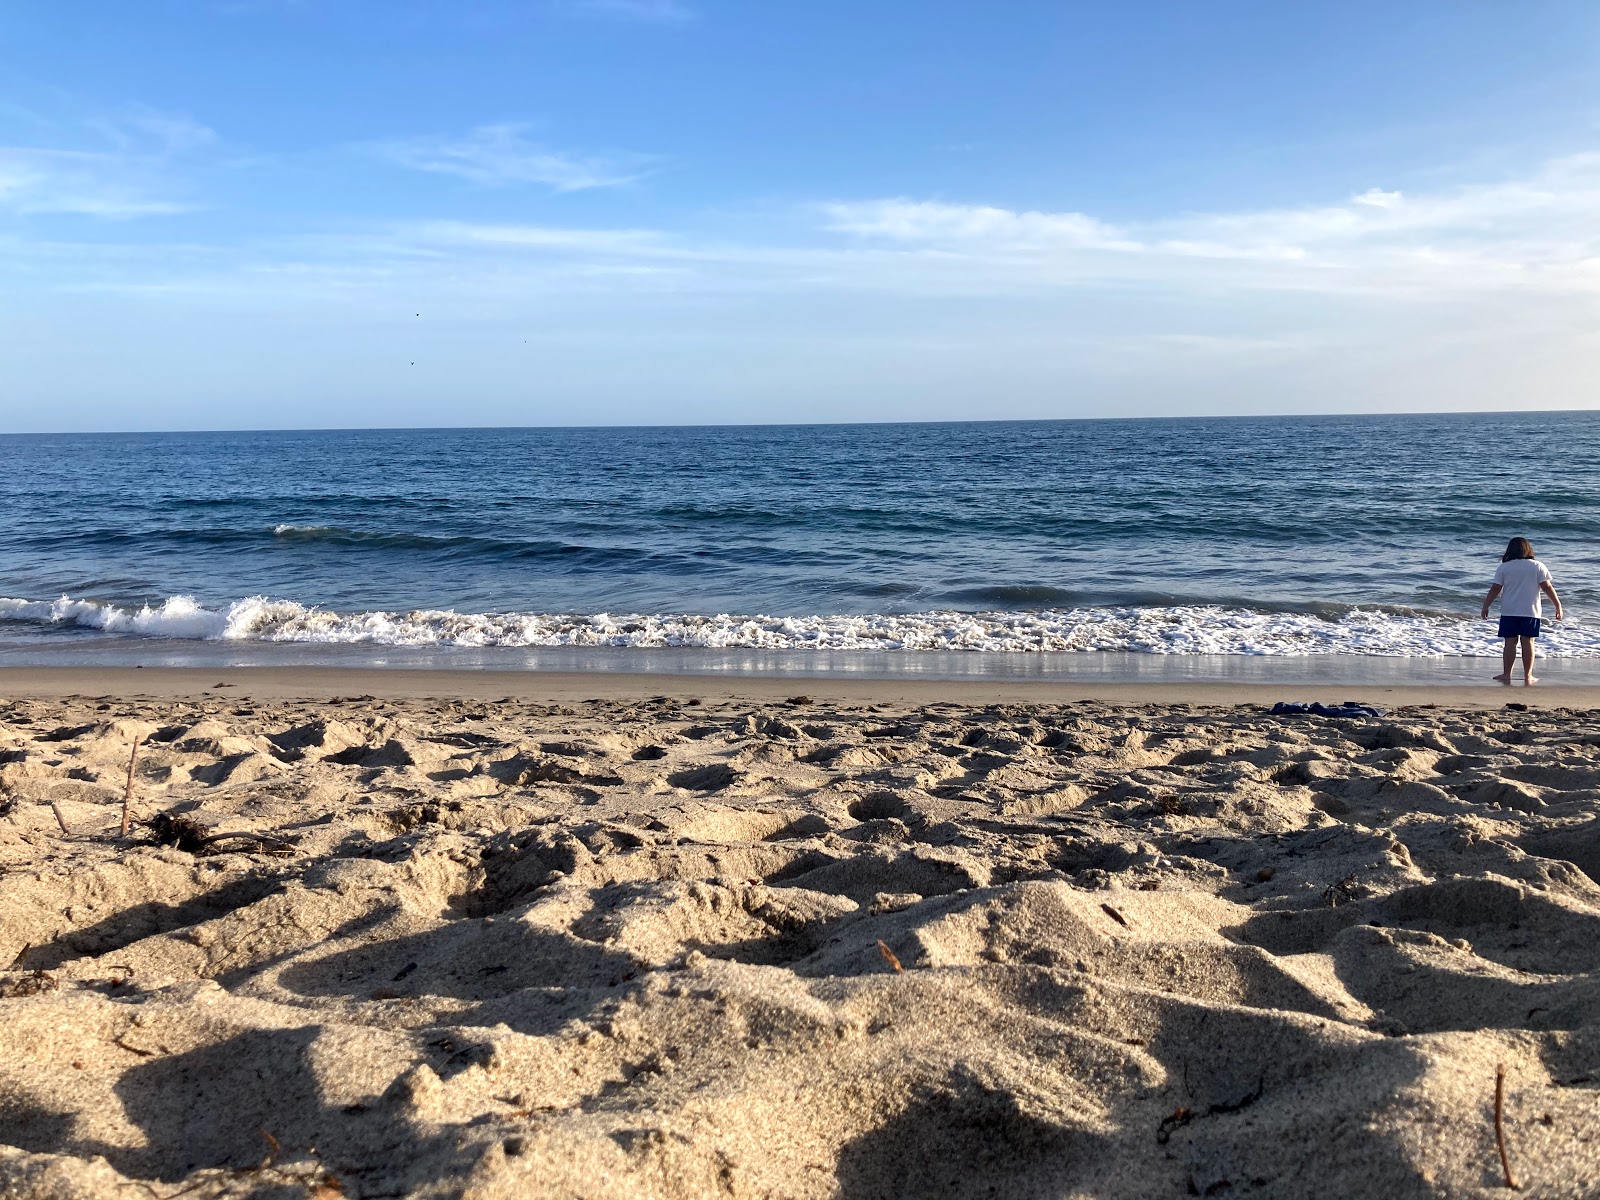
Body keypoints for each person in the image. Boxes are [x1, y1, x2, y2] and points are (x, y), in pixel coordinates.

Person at [1481, 537, 1562, 686]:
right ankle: (1528, 675)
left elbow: (1495, 589)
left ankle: (1506, 674)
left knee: (1510, 643)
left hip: (1509, 611)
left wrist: (1486, 606)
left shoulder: (1504, 567)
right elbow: (1547, 587)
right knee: (1528, 642)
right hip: (1530, 611)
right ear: (1528, 549)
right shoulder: (1537, 566)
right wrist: (1557, 605)